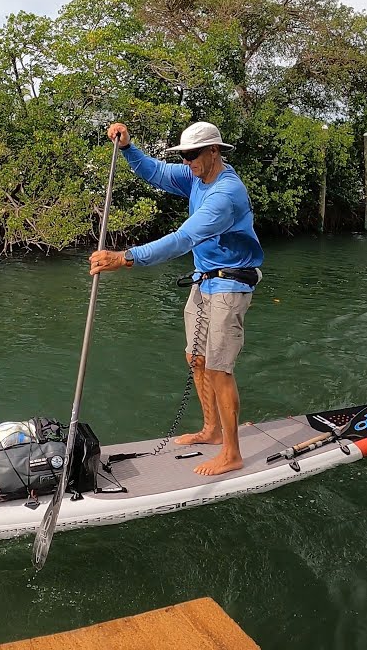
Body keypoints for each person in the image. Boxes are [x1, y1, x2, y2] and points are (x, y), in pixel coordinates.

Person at [90, 121, 264, 476]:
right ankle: (211, 431)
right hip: (204, 282)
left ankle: (232, 453)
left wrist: (124, 258)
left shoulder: (225, 195)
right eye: (184, 156)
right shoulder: (195, 177)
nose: (188, 162)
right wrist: (128, 148)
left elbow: (183, 239)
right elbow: (155, 171)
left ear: (214, 150)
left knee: (219, 368)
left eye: (193, 155)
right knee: (196, 358)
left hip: (230, 286)